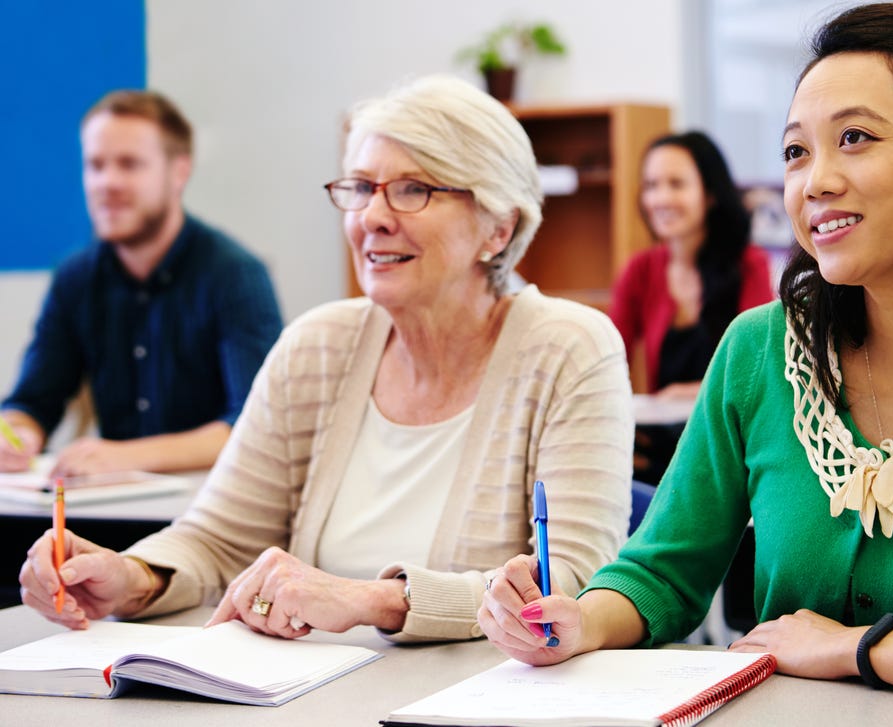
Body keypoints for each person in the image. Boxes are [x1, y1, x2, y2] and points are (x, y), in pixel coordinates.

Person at [477, 4, 893, 723]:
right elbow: (661, 572)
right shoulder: (758, 352)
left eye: (856, 139)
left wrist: (854, 648)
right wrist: (577, 623)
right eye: (796, 152)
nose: (815, 182)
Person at [18, 75, 634, 643]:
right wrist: (133, 576)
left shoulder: (569, 348)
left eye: (413, 189)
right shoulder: (318, 345)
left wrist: (375, 601)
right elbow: (218, 537)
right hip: (307, 693)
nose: (372, 217)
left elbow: (569, 587)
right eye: (361, 187)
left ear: (498, 227)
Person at [0, 90, 283, 477]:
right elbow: (33, 401)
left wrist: (127, 455)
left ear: (179, 172)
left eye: (129, 164)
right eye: (95, 165)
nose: (107, 182)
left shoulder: (234, 274)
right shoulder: (75, 277)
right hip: (109, 507)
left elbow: (256, 427)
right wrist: (17, 434)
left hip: (208, 512)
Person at [608, 131, 773, 400]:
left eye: (676, 184)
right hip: (663, 438)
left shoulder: (750, 265)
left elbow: (760, 367)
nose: (660, 199)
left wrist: (689, 395)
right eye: (651, 185)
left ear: (709, 194)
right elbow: (608, 360)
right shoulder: (639, 270)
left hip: (733, 432)